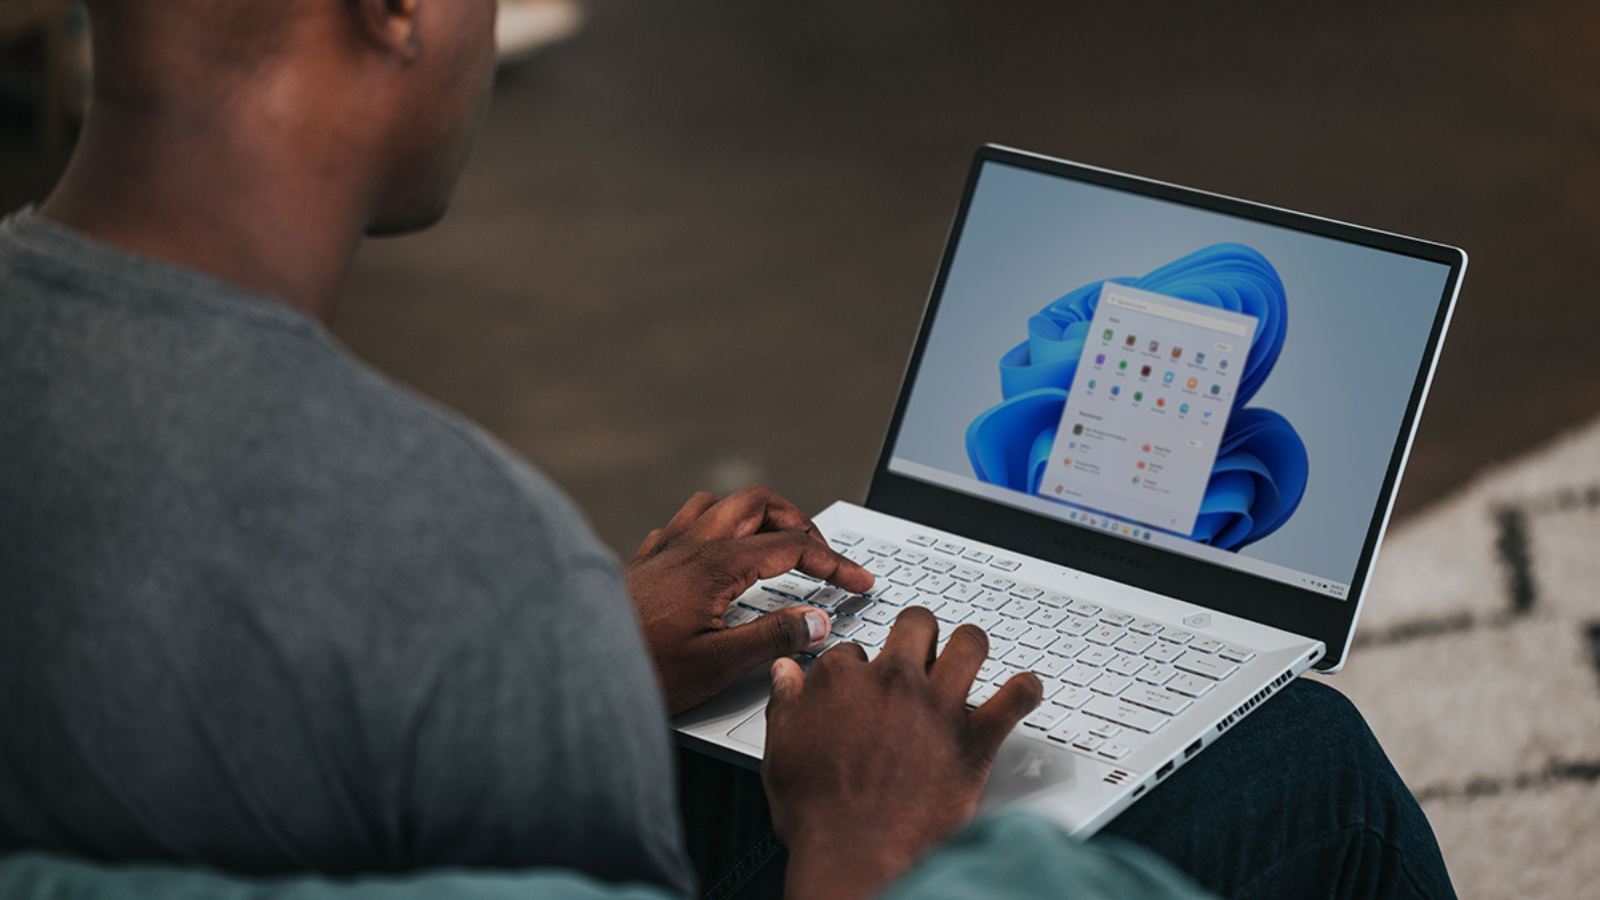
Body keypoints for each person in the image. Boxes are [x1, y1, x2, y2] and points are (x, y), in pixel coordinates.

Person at [0, 2, 1459, 899]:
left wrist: (592, 652)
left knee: (754, 722)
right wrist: (860, 845)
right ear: (395, 7)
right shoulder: (444, 541)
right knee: (1310, 763)